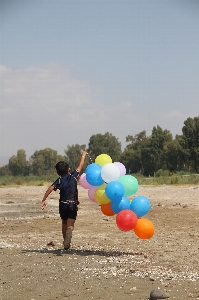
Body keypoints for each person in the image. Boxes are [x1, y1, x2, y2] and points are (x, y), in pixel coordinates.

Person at [41, 151, 87, 250]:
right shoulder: (74, 176)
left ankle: (66, 242)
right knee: (70, 225)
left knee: (64, 222)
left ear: (57, 173)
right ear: (69, 170)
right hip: (72, 204)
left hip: (62, 205)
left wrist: (44, 199)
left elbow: (50, 188)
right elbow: (80, 165)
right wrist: (83, 155)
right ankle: (68, 236)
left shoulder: (59, 180)